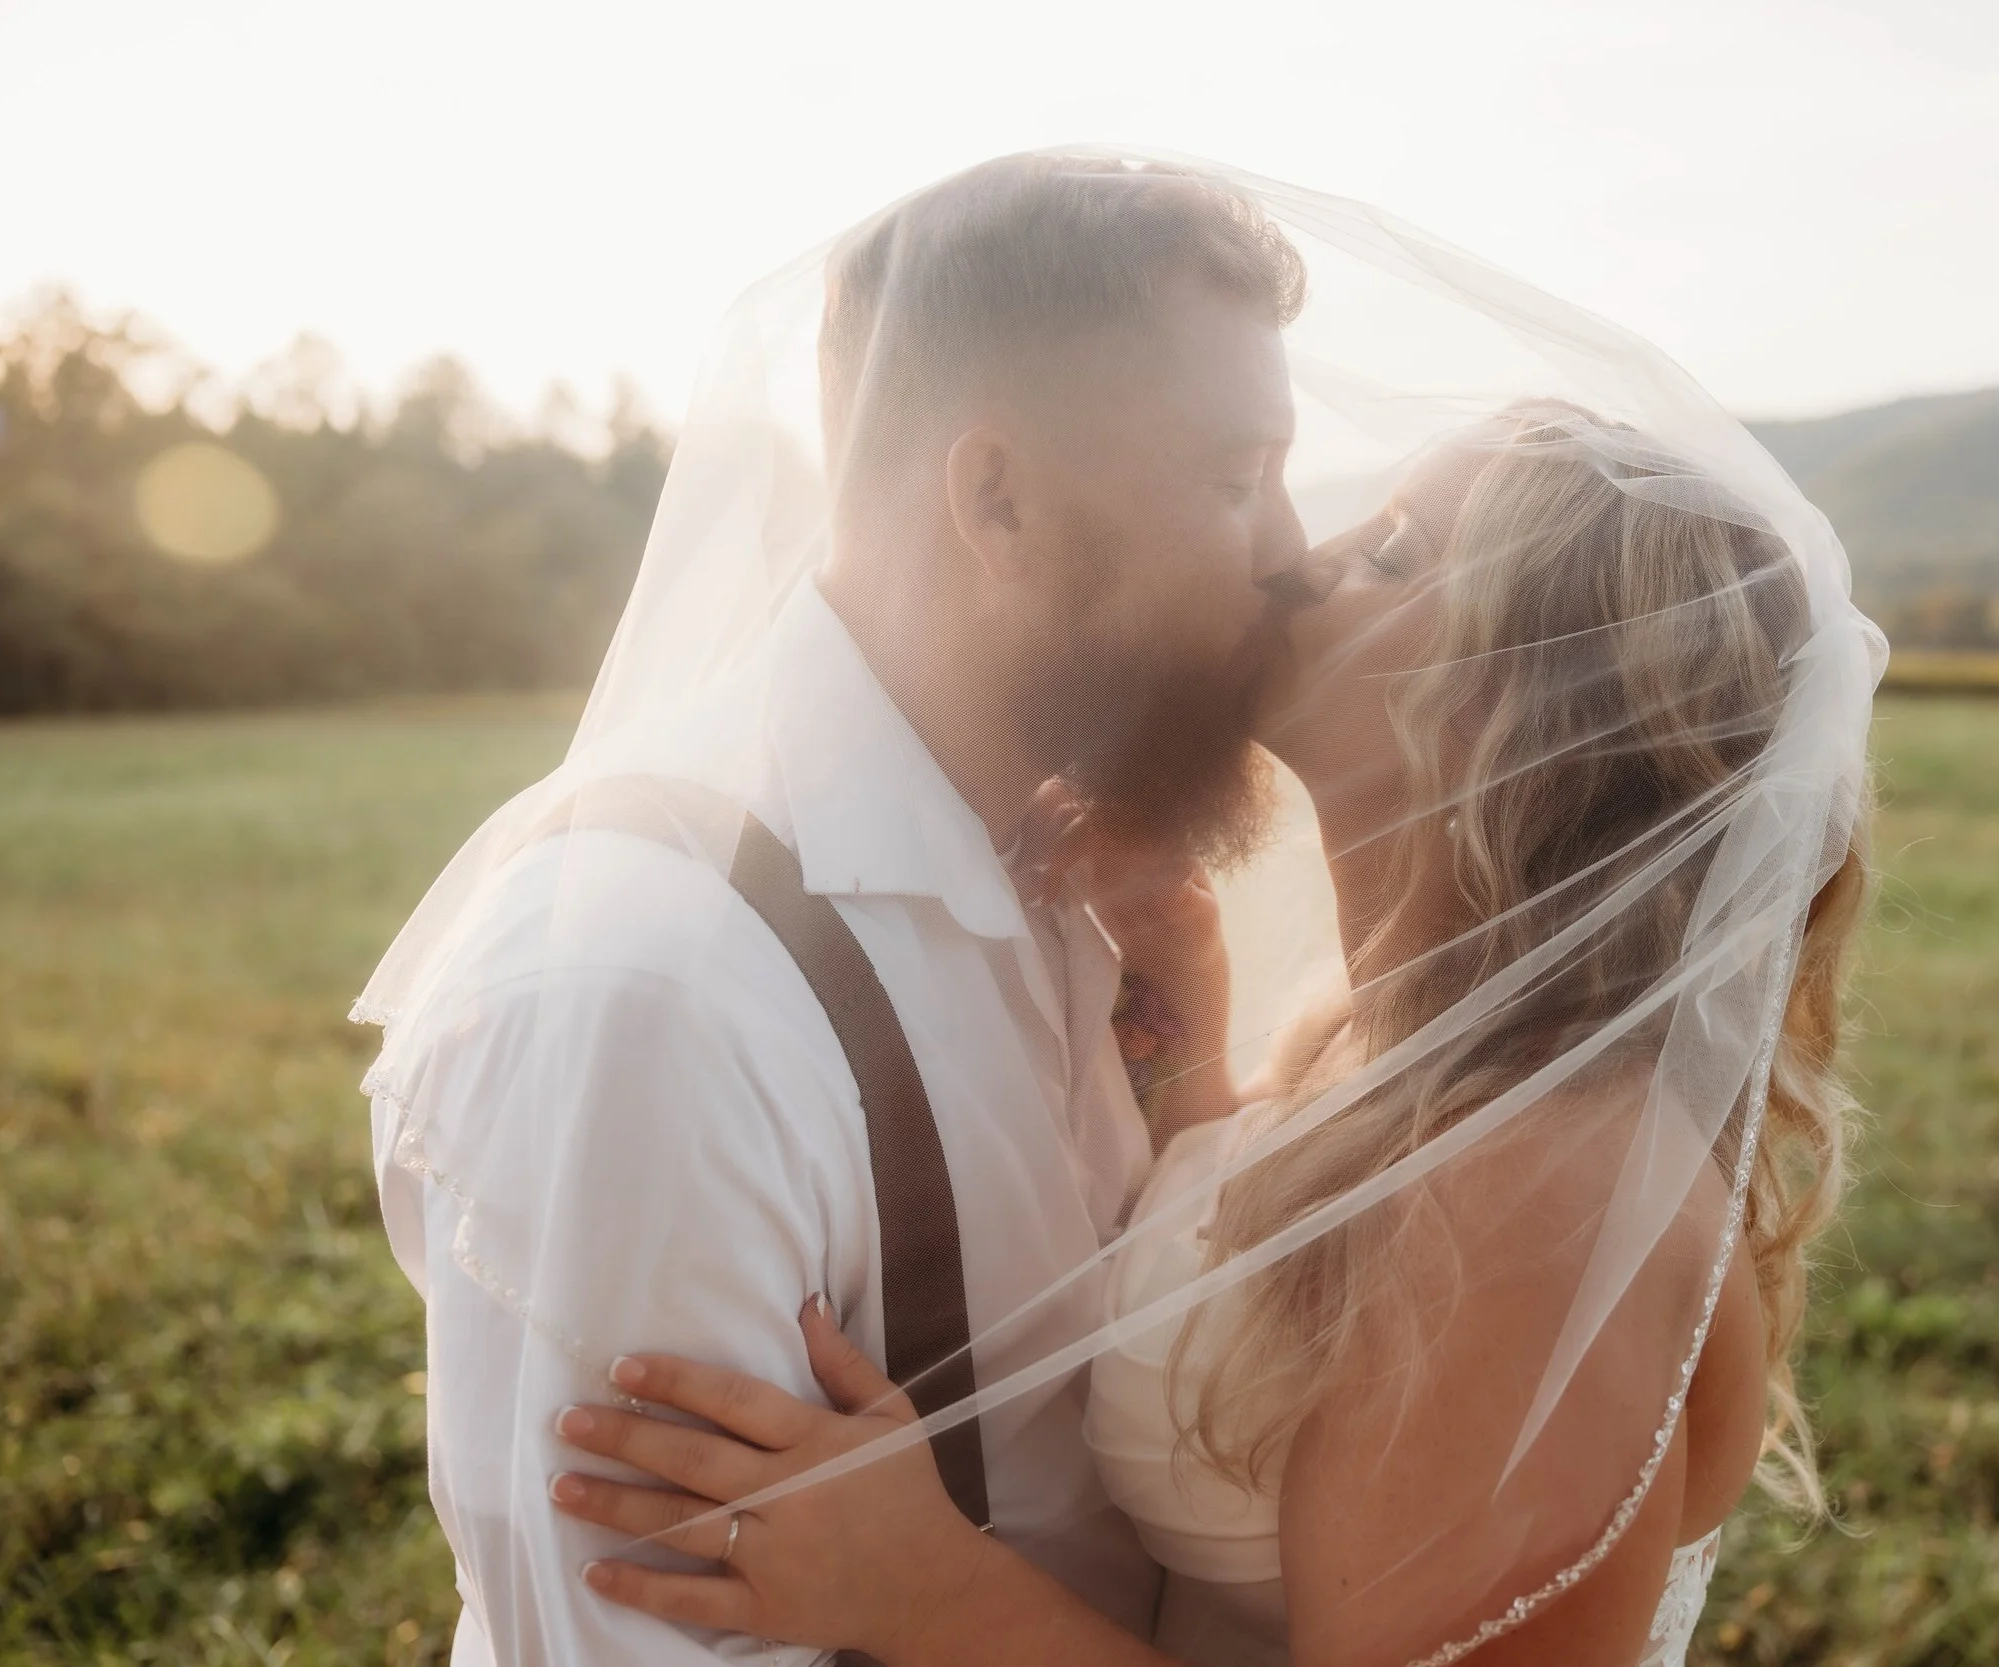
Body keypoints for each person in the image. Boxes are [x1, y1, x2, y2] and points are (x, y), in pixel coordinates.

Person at [541, 398, 1880, 1665]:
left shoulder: (1549, 1182)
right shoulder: (1398, 1045)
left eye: (1396, 554)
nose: (1302, 560)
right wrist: (1175, 996)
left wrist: (924, 1587)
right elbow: (1268, 1282)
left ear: (1522, 706)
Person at [355, 154, 1317, 1665]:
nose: (1291, 556)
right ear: (995, 499)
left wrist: (1173, 1023)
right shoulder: (650, 999)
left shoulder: (1081, 873)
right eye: (1230, 479)